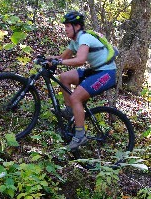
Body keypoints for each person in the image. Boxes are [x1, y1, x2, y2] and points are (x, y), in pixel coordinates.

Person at [50, 11, 117, 150]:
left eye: (68, 26)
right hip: (96, 70)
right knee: (64, 77)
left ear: (77, 26)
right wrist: (47, 59)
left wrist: (59, 63)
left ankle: (80, 135)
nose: (65, 29)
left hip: (106, 73)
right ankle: (70, 112)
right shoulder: (75, 41)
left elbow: (80, 60)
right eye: (65, 26)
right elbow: (63, 57)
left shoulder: (85, 38)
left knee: (76, 98)